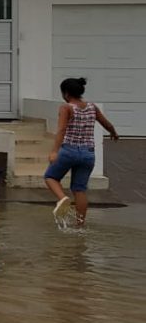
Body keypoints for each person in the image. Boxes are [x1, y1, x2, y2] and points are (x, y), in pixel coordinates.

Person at [46, 77, 119, 227]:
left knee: (50, 177)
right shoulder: (92, 107)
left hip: (69, 151)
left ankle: (62, 198)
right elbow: (107, 124)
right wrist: (114, 132)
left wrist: (54, 151)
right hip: (88, 154)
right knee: (79, 189)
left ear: (66, 94)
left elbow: (61, 129)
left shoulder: (66, 107)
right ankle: (80, 225)